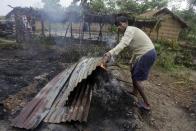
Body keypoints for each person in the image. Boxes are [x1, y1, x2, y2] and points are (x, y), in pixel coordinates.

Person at [102, 16, 157, 111]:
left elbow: (123, 44)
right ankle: (134, 92)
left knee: (137, 79)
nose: (118, 28)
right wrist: (131, 62)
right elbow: (136, 48)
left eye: (119, 25)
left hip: (147, 54)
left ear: (125, 23)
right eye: (117, 26)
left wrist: (110, 53)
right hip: (144, 54)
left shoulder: (129, 30)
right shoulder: (130, 31)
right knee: (133, 72)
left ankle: (147, 104)